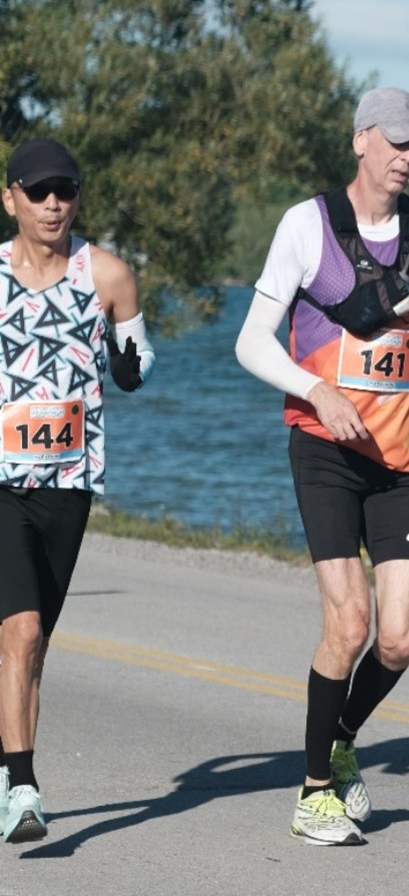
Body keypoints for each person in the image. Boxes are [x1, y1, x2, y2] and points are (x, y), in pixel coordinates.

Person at [235, 88, 409, 846]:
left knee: (399, 639)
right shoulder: (308, 225)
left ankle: (339, 739)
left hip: (402, 457)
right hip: (326, 448)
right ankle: (313, 793)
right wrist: (316, 390)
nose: (406, 156)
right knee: (350, 621)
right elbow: (251, 340)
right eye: (394, 141)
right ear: (360, 139)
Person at [0, 138, 154, 843]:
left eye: (64, 190)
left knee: (33, 646)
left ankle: (8, 764)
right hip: (1, 481)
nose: (53, 203)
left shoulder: (108, 274)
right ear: (11, 199)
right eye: (38, 191)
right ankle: (24, 788)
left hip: (70, 480)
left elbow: (139, 362)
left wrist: (129, 366)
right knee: (22, 631)